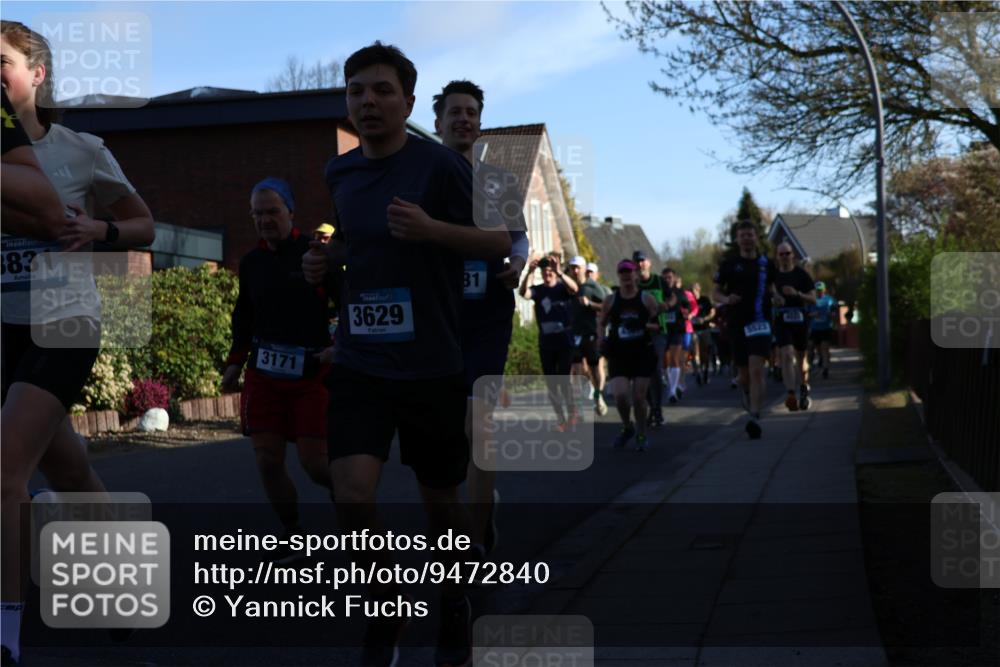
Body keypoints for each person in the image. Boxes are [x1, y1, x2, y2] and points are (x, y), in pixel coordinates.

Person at [302, 42, 510, 667]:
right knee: (351, 490)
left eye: (382, 90)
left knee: (439, 503)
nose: (368, 101)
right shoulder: (340, 172)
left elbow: (498, 241)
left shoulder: (440, 167)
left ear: (409, 102)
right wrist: (324, 257)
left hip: (432, 363)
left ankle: (452, 602)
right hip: (362, 359)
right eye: (357, 90)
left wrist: (433, 231)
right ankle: (386, 599)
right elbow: (347, 236)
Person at [1, 21, 156, 666]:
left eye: (1, 62)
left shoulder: (81, 147)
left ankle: (7, 634)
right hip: (5, 327)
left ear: (37, 74)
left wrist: (100, 227)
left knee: (5, 470)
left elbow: (144, 224)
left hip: (65, 321)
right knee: (64, 468)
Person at [432, 78, 529, 556]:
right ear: (438, 121)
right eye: (456, 112)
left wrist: (518, 263)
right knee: (447, 432)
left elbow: (518, 239)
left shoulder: (500, 180)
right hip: (438, 315)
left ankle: (473, 537)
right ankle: (475, 504)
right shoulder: (424, 175)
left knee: (480, 422)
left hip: (489, 311)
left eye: (472, 112)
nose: (464, 119)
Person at [221, 178, 335, 561]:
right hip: (264, 372)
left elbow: (342, 300)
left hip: (310, 372)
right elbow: (245, 315)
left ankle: (353, 498)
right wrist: (234, 364)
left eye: (272, 211)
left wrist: (339, 345)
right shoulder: (252, 263)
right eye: (258, 213)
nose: (265, 220)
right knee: (266, 458)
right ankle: (293, 531)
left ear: (291, 212)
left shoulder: (314, 253)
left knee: (315, 463)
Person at [712, 221, 780, 439]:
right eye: (743, 235)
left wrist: (776, 296)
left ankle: (755, 415)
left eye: (750, 235)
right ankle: (750, 395)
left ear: (756, 237)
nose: (747, 239)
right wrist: (726, 299)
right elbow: (715, 292)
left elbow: (771, 286)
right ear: (738, 239)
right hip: (737, 323)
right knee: (744, 375)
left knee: (757, 369)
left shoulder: (766, 263)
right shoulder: (729, 264)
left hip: (760, 321)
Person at [598, 260, 659, 451]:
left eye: (629, 272)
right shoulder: (611, 300)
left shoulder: (646, 299)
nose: (626, 276)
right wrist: (601, 340)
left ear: (636, 275)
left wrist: (642, 326)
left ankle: (641, 433)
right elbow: (601, 322)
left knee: (639, 397)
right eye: (622, 272)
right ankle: (627, 427)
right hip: (619, 353)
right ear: (618, 275)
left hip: (642, 352)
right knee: (620, 396)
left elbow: (658, 326)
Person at [519, 255, 579, 429]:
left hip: (564, 342)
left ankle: (572, 412)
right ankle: (561, 417)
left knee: (563, 379)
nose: (548, 274)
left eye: (550, 271)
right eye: (544, 271)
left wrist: (560, 272)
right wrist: (529, 271)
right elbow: (524, 293)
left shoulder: (562, 288)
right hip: (546, 342)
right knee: (551, 382)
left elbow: (574, 288)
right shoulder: (539, 291)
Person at [772, 243, 817, 411]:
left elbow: (813, 299)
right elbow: (768, 294)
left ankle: (804, 387)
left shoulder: (801, 275)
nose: (784, 256)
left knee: (801, 359)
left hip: (800, 319)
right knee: (786, 354)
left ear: (792, 255)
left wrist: (797, 294)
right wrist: (775, 297)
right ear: (777, 256)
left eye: (787, 253)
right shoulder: (774, 277)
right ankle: (791, 394)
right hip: (782, 319)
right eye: (781, 254)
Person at [566, 256, 607, 416]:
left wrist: (590, 304)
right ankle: (579, 405)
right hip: (575, 334)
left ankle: (598, 395)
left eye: (578, 267)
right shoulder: (570, 287)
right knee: (576, 370)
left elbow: (606, 306)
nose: (575, 271)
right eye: (572, 268)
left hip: (590, 333)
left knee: (594, 368)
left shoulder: (593, 286)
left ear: (583, 269)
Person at [634, 251, 672, 425]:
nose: (640, 264)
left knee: (655, 369)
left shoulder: (658, 281)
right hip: (639, 333)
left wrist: (666, 304)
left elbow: (672, 298)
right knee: (643, 373)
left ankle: (657, 409)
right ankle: (651, 406)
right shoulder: (634, 285)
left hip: (659, 330)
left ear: (648, 263)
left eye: (642, 261)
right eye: (637, 262)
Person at [659, 266, 689, 406]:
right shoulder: (659, 292)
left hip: (677, 329)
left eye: (670, 277)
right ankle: (670, 384)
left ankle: (672, 391)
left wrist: (686, 312)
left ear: (674, 278)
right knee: (664, 361)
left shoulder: (679, 292)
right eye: (665, 278)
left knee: (675, 359)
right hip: (663, 329)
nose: (667, 280)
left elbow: (687, 306)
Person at [809, 281, 838, 379]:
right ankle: (818, 359)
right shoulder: (812, 300)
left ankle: (825, 369)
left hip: (826, 328)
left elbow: (834, 312)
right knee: (813, 347)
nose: (819, 292)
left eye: (821, 290)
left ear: (824, 290)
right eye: (817, 290)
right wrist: (813, 315)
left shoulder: (830, 300)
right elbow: (807, 313)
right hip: (815, 328)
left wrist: (832, 316)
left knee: (825, 347)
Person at [691, 282, 716, 385]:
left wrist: (704, 319)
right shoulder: (689, 301)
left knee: (704, 351)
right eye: (692, 291)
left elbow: (712, 312)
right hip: (693, 330)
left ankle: (705, 369)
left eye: (695, 290)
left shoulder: (704, 300)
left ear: (699, 290)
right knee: (694, 352)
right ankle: (697, 372)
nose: (694, 292)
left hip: (704, 329)